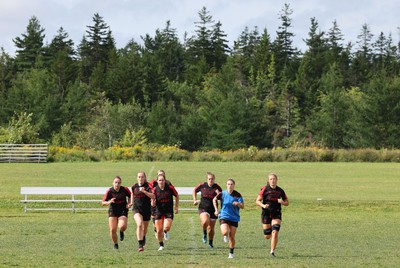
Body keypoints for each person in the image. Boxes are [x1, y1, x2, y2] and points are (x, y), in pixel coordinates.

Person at [255, 173, 289, 257]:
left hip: (276, 213)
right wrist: (263, 205)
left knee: (275, 232)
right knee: (267, 236)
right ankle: (269, 236)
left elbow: (287, 202)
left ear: (276, 180)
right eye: (271, 179)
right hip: (266, 214)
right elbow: (257, 201)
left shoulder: (280, 190)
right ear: (268, 180)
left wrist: (282, 202)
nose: (272, 180)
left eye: (274, 179)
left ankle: (272, 251)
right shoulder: (265, 189)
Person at [213, 178, 244, 259]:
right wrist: (216, 210)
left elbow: (242, 206)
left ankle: (231, 253)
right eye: (228, 184)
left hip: (234, 217)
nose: (230, 186)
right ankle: (225, 235)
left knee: (232, 237)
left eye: (231, 184)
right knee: (225, 232)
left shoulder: (237, 195)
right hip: (224, 215)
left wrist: (238, 203)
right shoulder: (222, 193)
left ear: (234, 185)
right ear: (226, 185)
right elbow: (214, 199)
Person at [192, 172, 222, 249]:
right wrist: (195, 200)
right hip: (203, 208)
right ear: (207, 179)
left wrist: (219, 196)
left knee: (211, 229)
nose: (210, 180)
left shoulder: (217, 187)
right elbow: (194, 190)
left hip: (213, 210)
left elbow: (222, 198)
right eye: (209, 179)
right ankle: (204, 233)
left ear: (214, 180)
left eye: (212, 179)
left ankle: (210, 243)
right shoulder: (202, 185)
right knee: (205, 221)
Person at [102, 176, 132, 250]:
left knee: (122, 226)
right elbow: (103, 202)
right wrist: (109, 202)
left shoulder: (124, 189)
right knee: (112, 229)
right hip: (113, 210)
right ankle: (115, 244)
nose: (117, 184)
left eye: (118, 183)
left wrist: (129, 203)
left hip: (122, 210)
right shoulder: (109, 191)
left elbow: (131, 195)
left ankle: (121, 231)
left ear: (120, 183)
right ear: (113, 183)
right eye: (115, 182)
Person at [152, 173, 179, 251]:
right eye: (159, 180)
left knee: (166, 227)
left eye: (162, 180)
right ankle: (161, 245)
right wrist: (152, 203)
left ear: (165, 180)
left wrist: (176, 207)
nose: (161, 182)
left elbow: (177, 195)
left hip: (168, 211)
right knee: (158, 230)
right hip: (158, 211)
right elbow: (152, 198)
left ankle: (166, 231)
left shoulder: (170, 188)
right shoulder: (154, 189)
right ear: (157, 181)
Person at [131, 171, 155, 252]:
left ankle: (143, 236)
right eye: (139, 177)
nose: (140, 178)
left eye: (142, 177)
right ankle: (140, 245)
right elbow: (132, 195)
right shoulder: (134, 186)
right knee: (139, 224)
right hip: (136, 209)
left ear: (145, 178)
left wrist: (144, 191)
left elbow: (153, 196)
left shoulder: (148, 186)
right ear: (137, 178)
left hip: (146, 210)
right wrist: (130, 203)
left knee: (144, 229)